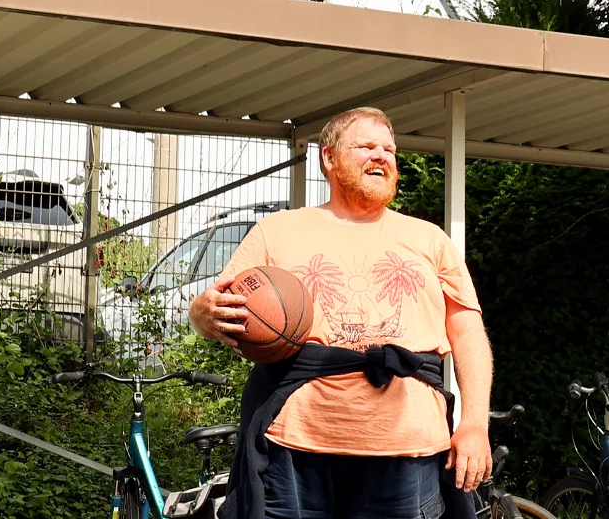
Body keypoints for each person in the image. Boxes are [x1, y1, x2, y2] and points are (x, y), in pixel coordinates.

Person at [190, 106, 492, 519]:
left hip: (409, 445)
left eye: (389, 149)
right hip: (295, 445)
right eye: (366, 146)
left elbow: (468, 331)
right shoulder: (278, 230)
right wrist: (202, 314)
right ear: (328, 158)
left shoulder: (429, 239)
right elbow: (216, 304)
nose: (381, 155)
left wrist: (475, 424)